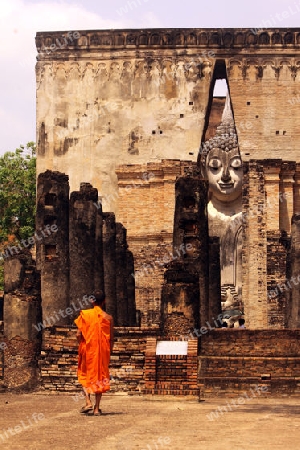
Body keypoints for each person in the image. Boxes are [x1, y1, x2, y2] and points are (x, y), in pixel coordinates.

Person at [74, 290, 114, 416]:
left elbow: (78, 334)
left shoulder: (85, 315)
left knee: (85, 374)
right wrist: (109, 352)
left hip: (87, 350)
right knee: (100, 377)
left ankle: (88, 402)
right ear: (104, 301)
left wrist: (81, 343)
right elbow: (111, 338)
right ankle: (96, 409)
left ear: (92, 301)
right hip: (102, 352)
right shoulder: (108, 318)